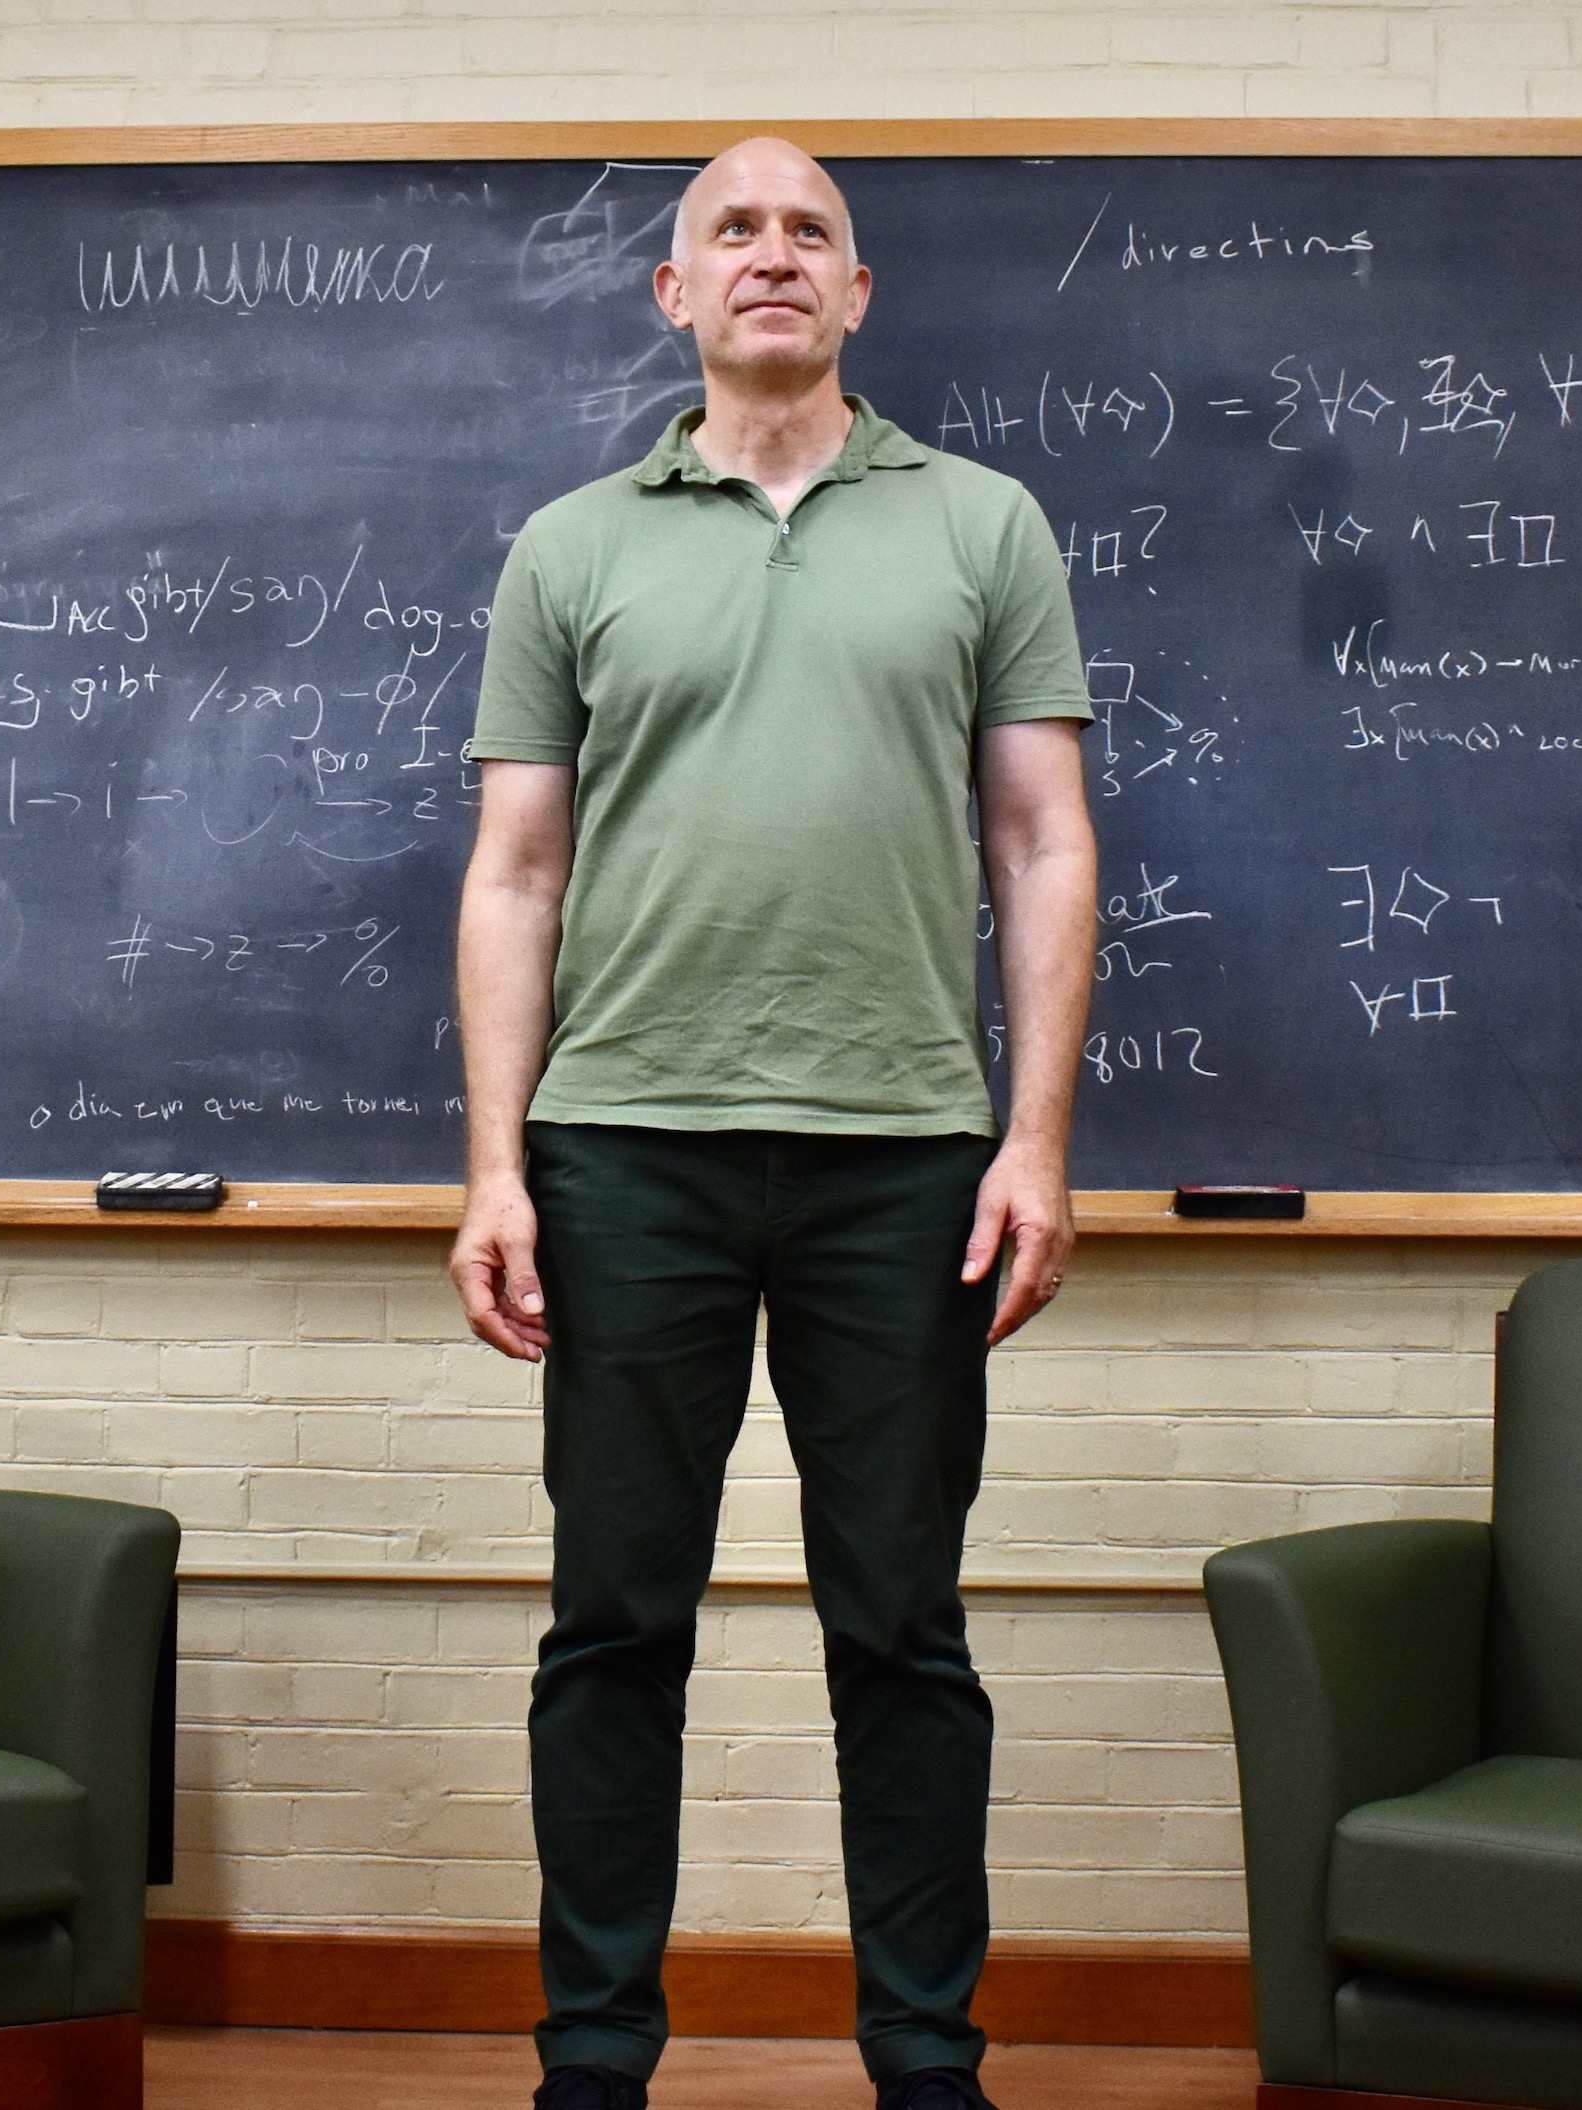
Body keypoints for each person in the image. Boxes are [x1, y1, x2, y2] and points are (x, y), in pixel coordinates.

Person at [450, 137, 1100, 2110]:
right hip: (621, 1149)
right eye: (731, 228)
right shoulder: (573, 546)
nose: (770, 255)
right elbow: (514, 871)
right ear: (675, 293)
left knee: (901, 1626)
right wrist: (495, 1163)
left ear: (857, 291)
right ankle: (594, 2061)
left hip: (903, 1152)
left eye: (808, 228)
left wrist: (1039, 1139)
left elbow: (1046, 838)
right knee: (611, 1625)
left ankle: (923, 2058)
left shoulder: (983, 527)